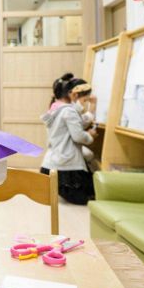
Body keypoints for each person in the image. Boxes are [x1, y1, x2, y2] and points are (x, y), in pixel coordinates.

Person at [40, 74, 98, 205]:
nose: (83, 104)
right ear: (74, 95)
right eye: (84, 100)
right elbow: (78, 135)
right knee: (91, 196)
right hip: (65, 168)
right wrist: (90, 136)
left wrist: (91, 109)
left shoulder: (55, 108)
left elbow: (76, 123)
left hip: (50, 165)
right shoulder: (68, 111)